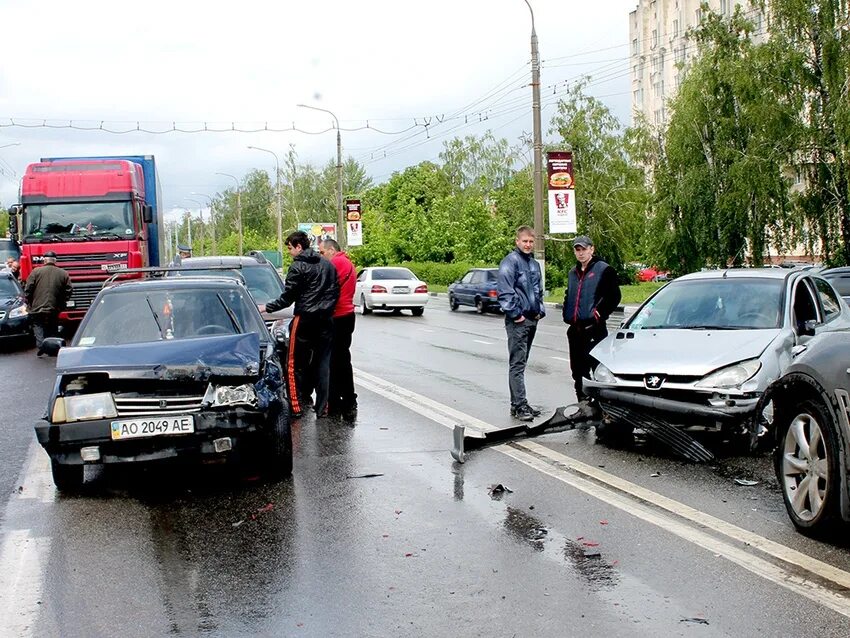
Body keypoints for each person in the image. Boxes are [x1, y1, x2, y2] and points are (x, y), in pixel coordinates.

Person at [259, 231, 339, 418]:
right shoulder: (328, 265)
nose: (289, 252)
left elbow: (288, 298)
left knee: (293, 363)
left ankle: (295, 407)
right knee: (323, 364)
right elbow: (335, 291)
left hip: (304, 319)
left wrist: (267, 307)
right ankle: (323, 407)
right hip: (326, 320)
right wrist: (326, 309)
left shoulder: (297, 267)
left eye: (289, 248)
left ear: (298, 247)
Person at [562, 235, 621, 418]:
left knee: (597, 370)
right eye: (577, 250)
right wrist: (567, 310)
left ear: (591, 249)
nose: (580, 253)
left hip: (594, 329)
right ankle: (583, 406)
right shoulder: (573, 272)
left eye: (584, 249)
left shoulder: (604, 270)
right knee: (578, 371)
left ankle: (602, 409)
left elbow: (614, 296)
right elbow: (569, 294)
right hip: (576, 330)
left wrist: (599, 313)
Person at [497, 225, 546, 422]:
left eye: (531, 241)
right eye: (524, 241)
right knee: (517, 364)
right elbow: (505, 291)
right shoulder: (510, 262)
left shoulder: (534, 264)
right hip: (518, 321)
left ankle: (516, 403)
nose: (528, 244)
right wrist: (516, 315)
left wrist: (540, 311)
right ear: (517, 241)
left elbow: (538, 290)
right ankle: (519, 405)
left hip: (532, 319)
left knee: (522, 363)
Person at [320, 239, 358, 420]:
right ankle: (342, 401)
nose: (322, 257)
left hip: (337, 316)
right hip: (347, 315)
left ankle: (342, 401)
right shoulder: (348, 263)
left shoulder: (335, 263)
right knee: (341, 360)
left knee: (336, 362)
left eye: (322, 253)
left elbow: (325, 288)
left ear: (331, 250)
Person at [25, 251, 72, 356]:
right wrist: (62, 302)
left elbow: (28, 288)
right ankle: (52, 347)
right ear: (55, 261)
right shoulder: (63, 273)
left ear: (44, 260)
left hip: (37, 306)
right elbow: (68, 290)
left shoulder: (36, 272)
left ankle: (42, 345)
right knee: (52, 326)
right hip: (54, 306)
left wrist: (29, 300)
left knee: (38, 325)